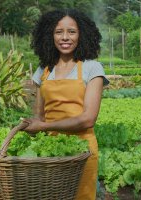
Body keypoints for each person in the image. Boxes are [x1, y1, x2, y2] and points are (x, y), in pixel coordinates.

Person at [22, 9, 109, 200]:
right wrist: (32, 126)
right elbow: (40, 116)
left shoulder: (92, 68)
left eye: (72, 32)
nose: (65, 37)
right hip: (51, 152)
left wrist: (43, 126)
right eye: (58, 32)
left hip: (81, 151)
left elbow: (88, 119)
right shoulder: (43, 70)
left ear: (82, 35)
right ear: (49, 35)